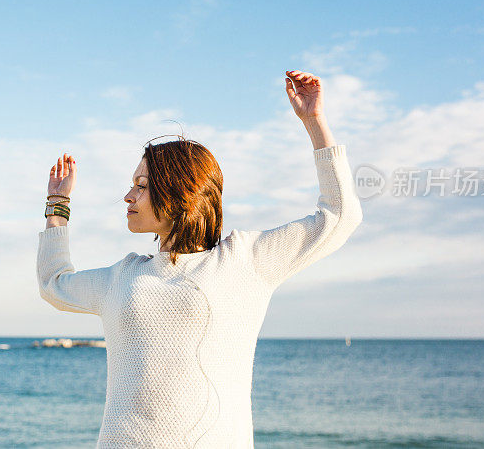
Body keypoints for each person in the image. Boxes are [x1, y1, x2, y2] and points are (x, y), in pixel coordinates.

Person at [37, 70, 363, 448]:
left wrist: (314, 121)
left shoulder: (245, 262)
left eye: (141, 186)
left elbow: (340, 215)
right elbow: (54, 285)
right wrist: (57, 207)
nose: (128, 196)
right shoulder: (122, 277)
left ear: (178, 192)